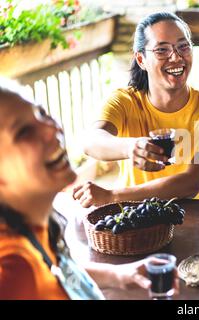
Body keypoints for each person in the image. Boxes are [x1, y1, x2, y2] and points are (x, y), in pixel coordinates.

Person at [0, 79, 179, 299]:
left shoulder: (34, 227)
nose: (52, 128)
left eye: (42, 114)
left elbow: (57, 273)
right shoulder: (13, 272)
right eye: (24, 131)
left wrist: (118, 275)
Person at [72, 12, 199, 208]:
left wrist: (112, 196)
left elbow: (192, 182)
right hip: (132, 220)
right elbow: (91, 141)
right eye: (162, 50)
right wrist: (130, 147)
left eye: (183, 46)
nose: (176, 57)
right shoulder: (125, 101)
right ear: (141, 59)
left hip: (188, 219)